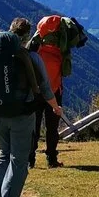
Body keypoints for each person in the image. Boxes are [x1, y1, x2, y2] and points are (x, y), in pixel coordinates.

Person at [0, 18, 62, 197]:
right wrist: (55, 107)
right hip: (21, 114)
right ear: (27, 36)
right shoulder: (31, 57)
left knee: (3, 153)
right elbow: (45, 87)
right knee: (19, 159)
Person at [29, 33, 65, 168]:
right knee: (52, 128)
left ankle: (30, 159)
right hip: (55, 92)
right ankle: (52, 158)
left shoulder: (34, 50)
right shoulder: (59, 51)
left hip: (36, 93)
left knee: (34, 127)